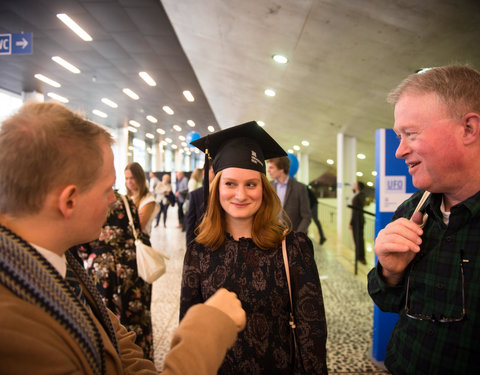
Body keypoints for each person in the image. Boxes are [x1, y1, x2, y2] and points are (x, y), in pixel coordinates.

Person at [0, 101, 246, 374]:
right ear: (69, 200)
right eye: (108, 189)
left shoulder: (57, 262)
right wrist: (208, 328)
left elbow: (111, 345)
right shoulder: (14, 328)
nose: (113, 200)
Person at [181, 121, 327, 374]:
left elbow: (311, 331)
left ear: (263, 189)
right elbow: (188, 327)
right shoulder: (199, 252)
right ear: (217, 187)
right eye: (230, 184)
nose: (240, 195)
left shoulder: (293, 249)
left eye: (251, 184)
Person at [368, 65, 480, 373]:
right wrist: (389, 271)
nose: (400, 151)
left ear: (469, 129)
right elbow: (386, 300)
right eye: (398, 136)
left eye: (411, 134)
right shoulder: (411, 211)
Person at [75, 191, 154, 360]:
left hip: (101, 270)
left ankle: (113, 361)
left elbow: (81, 246)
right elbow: (136, 230)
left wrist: (93, 256)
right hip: (130, 266)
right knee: (135, 316)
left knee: (106, 320)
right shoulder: (125, 200)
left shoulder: (88, 200)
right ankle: (140, 359)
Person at [267, 156, 311, 233]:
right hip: (272, 235)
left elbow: (306, 216)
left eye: (271, 168)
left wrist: (298, 236)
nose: (268, 170)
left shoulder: (300, 188)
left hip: (292, 236)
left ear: (281, 169)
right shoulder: (269, 187)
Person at [125, 162, 158, 236]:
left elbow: (138, 228)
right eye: (126, 178)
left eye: (132, 178)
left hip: (140, 243)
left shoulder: (148, 200)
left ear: (140, 178)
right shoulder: (126, 197)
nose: (129, 181)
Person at [185, 166, 215, 246]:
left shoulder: (225, 196)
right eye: (213, 171)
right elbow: (190, 222)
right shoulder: (195, 195)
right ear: (204, 172)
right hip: (201, 241)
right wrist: (189, 247)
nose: (216, 173)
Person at [349, 181, 366, 264]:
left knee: (359, 240)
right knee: (357, 239)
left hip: (358, 221)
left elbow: (355, 211)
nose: (353, 185)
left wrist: (351, 223)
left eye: (355, 184)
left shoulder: (359, 196)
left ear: (358, 187)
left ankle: (361, 258)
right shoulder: (358, 196)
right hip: (357, 220)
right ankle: (358, 257)